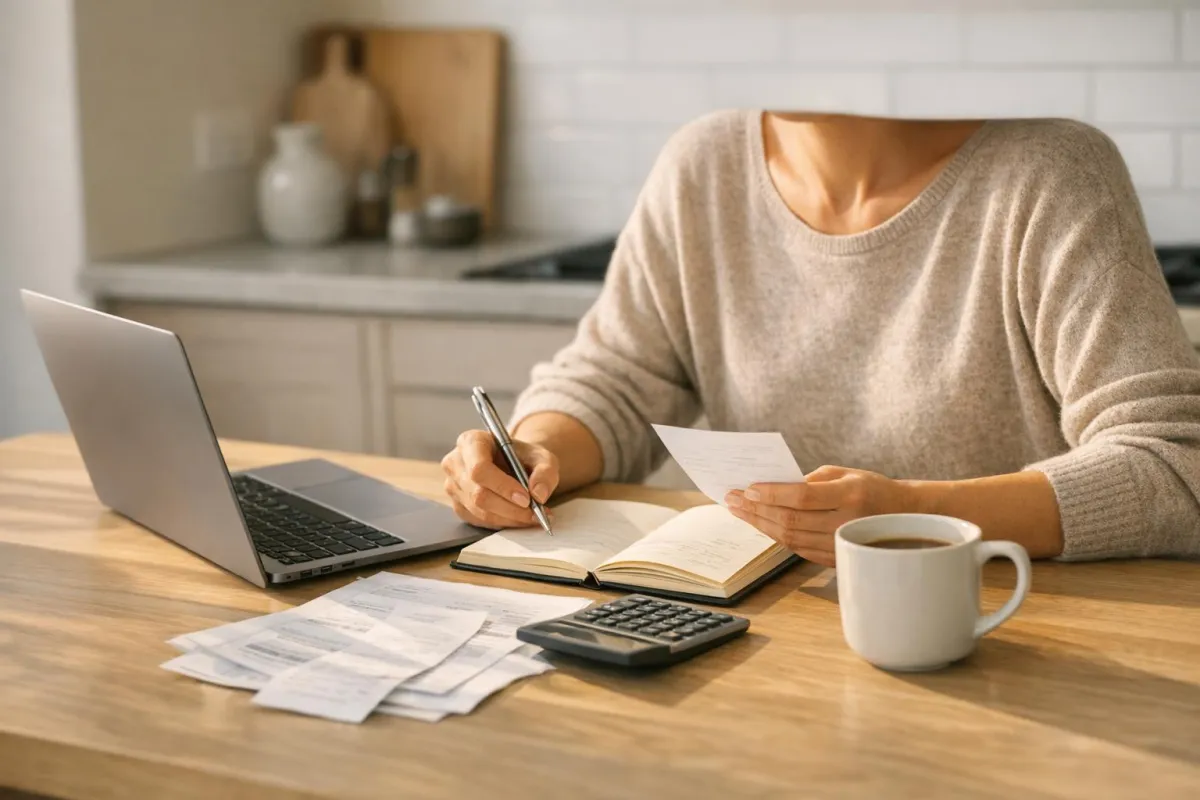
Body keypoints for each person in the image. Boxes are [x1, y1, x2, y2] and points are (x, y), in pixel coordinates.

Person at [441, 109, 1200, 567]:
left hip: (1016, 632)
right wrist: (533, 450)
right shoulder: (701, 164)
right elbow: (615, 376)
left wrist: (908, 514)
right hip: (770, 637)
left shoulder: (1051, 174)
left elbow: (1177, 466)